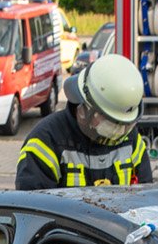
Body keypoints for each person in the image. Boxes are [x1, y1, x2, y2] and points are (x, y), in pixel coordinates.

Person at [16, 54, 150, 189]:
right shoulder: (45, 142)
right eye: (111, 125)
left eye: (125, 125)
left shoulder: (130, 138)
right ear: (84, 110)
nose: (120, 132)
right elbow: (33, 205)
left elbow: (145, 196)